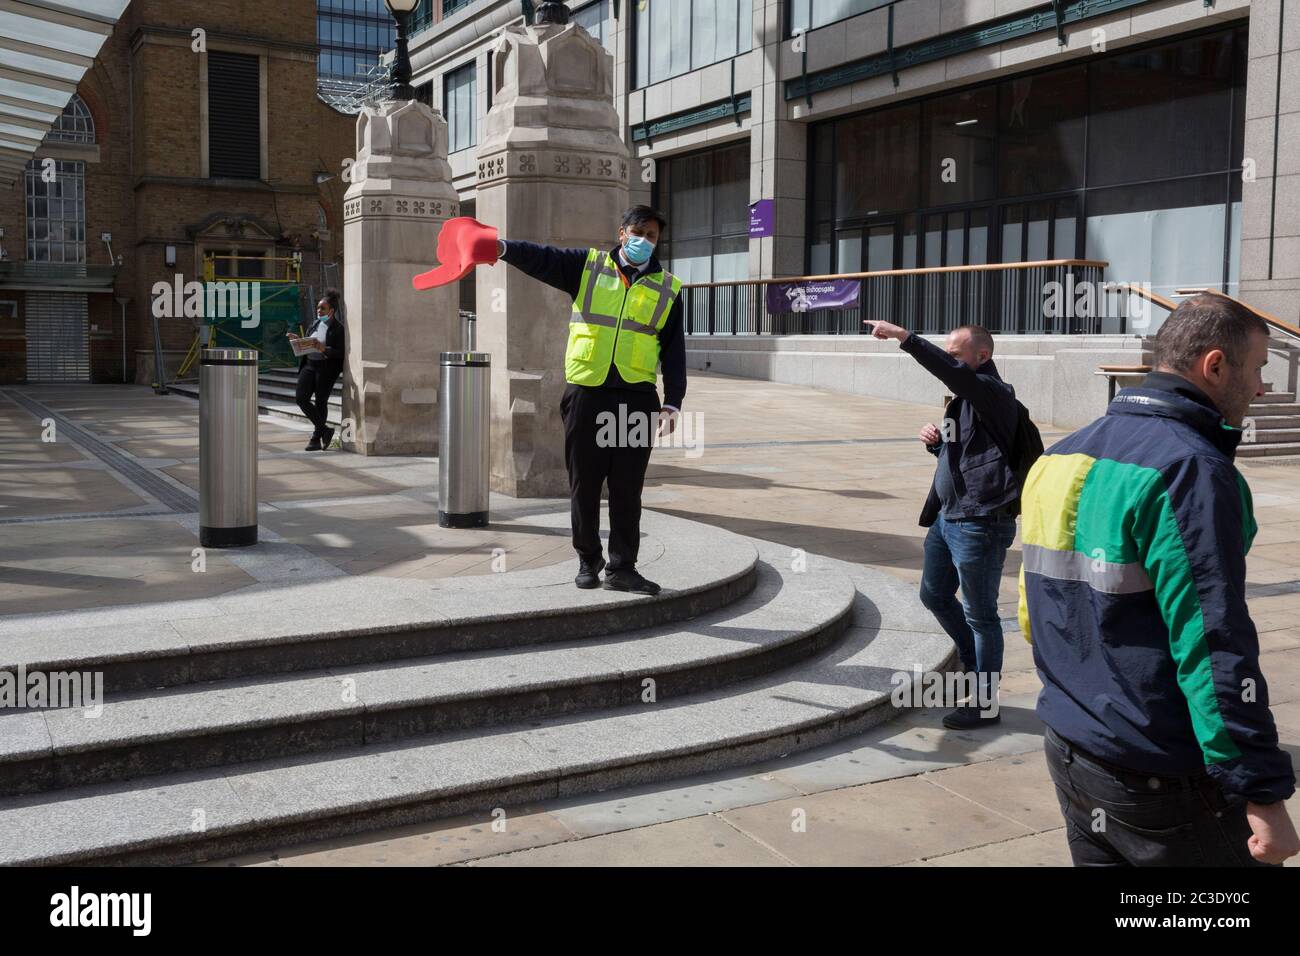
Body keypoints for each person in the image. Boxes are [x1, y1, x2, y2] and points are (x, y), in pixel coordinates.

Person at [1019, 293, 1298, 866]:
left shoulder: (1060, 455)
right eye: (1258, 369)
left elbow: (1033, 612)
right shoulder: (1192, 470)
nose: (1263, 387)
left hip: (1073, 749)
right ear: (1215, 366)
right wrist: (1263, 792)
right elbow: (1215, 645)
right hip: (1158, 775)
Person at [412, 206, 686, 595]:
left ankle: (623, 568)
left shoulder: (668, 287)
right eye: (638, 231)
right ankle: (588, 561)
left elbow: (674, 349)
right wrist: (497, 247)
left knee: (628, 488)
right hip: (587, 392)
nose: (644, 240)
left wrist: (673, 401)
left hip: (638, 396)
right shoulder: (588, 267)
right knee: (585, 484)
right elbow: (540, 257)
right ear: (622, 232)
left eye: (653, 236)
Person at [865, 319, 1021, 729]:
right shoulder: (964, 401)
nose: (950, 358)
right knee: (934, 595)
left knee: (981, 614)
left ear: (981, 357)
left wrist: (906, 339)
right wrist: (938, 444)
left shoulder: (992, 392)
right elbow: (971, 458)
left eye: (956, 353)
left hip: (980, 523)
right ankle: (972, 668)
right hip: (948, 517)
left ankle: (985, 702)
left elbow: (949, 372)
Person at [288, 289, 344, 452]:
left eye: (322, 308)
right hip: (309, 365)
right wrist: (297, 341)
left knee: (321, 402)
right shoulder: (314, 324)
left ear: (331, 311)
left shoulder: (338, 329)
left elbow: (341, 353)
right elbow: (308, 343)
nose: (318, 311)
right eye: (318, 308)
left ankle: (315, 438)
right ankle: (326, 430)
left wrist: (324, 349)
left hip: (326, 369)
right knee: (301, 398)